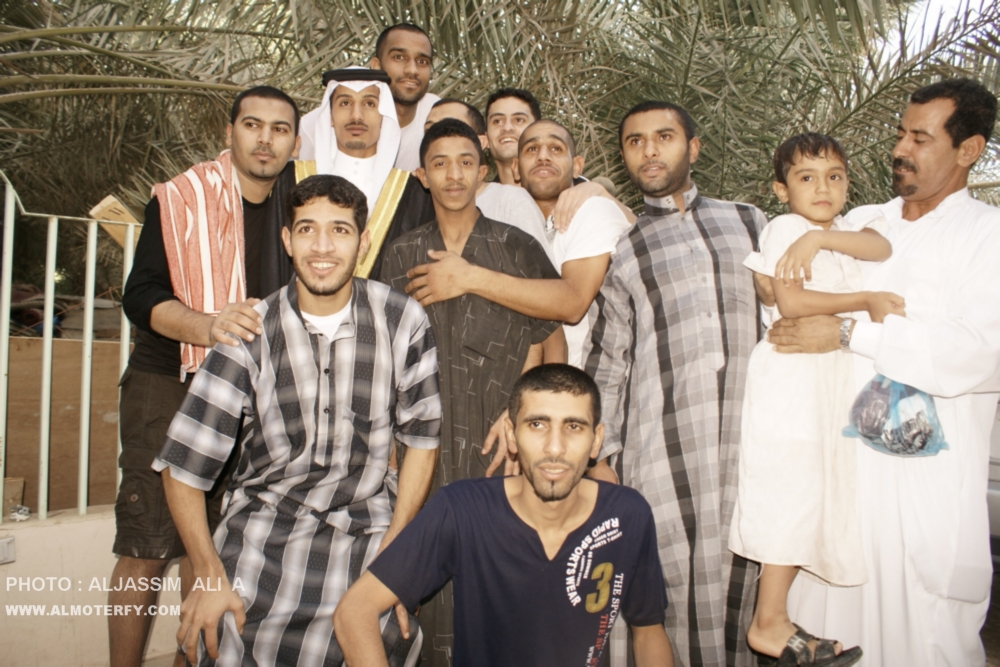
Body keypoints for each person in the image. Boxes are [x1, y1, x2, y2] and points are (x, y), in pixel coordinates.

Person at [153, 174, 441, 667]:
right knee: (219, 631)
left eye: (340, 230)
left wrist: (398, 546)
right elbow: (182, 464)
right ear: (287, 240)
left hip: (367, 521)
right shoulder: (249, 330)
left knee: (383, 631)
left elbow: (421, 440)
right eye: (307, 229)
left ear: (363, 242)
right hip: (264, 521)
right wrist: (207, 573)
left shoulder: (403, 320)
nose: (322, 247)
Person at [768, 79, 1000, 667]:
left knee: (922, 643)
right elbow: (782, 278)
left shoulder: (987, 235)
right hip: (838, 486)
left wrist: (849, 333)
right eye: (900, 133)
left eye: (920, 138)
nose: (899, 148)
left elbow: (979, 353)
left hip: (924, 497)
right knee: (828, 634)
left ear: (968, 150)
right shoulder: (864, 222)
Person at [110, 85, 300, 667]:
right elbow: (140, 296)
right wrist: (208, 325)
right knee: (148, 545)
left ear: (295, 143)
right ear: (229, 132)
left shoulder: (297, 210)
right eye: (252, 124)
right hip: (169, 383)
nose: (265, 139)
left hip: (248, 395)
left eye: (279, 129)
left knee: (211, 547)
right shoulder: (182, 199)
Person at [377, 118, 566, 667]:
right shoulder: (402, 255)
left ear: (482, 171)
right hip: (425, 449)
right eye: (439, 164)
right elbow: (385, 359)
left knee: (510, 584)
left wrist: (532, 426)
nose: (454, 175)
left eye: (465, 162)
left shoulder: (516, 247)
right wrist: (388, 445)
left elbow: (552, 340)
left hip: (500, 445)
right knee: (428, 592)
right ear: (422, 175)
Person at [334, 364, 674, 667]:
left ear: (596, 440)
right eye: (537, 424)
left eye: (573, 426)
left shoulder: (627, 515)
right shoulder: (463, 509)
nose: (555, 447)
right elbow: (354, 611)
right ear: (511, 434)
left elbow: (648, 632)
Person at [586, 100, 767, 667]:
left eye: (663, 137)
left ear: (693, 147)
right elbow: (607, 359)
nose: (649, 150)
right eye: (634, 141)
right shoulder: (626, 249)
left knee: (752, 578)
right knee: (668, 586)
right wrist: (601, 454)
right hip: (663, 450)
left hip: (750, 440)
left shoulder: (751, 222)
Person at [728, 133, 907, 667]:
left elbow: (881, 247)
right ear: (781, 191)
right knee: (790, 489)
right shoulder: (784, 226)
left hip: (828, 379)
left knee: (815, 492)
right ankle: (768, 620)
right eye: (806, 178)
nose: (822, 188)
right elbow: (792, 301)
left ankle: (779, 618)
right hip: (792, 375)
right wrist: (865, 299)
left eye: (834, 176)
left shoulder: (842, 230)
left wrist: (821, 240)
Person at [297, 67, 435, 278]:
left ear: (384, 116)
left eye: (369, 104)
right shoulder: (295, 179)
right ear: (330, 116)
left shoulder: (413, 192)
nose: (356, 115)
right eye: (345, 103)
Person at [423, 97, 549, 247]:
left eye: (453, 129)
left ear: (481, 142)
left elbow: (537, 262)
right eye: (429, 130)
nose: (438, 138)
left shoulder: (511, 202)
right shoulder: (418, 202)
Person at [369, 23, 440, 171]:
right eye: (399, 57)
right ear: (376, 66)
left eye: (422, 61)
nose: (412, 70)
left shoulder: (436, 113)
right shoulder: (344, 118)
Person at [485, 87, 542, 186]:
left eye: (519, 120)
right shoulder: (476, 195)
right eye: (497, 121)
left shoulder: (566, 191)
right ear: (486, 138)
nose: (507, 127)